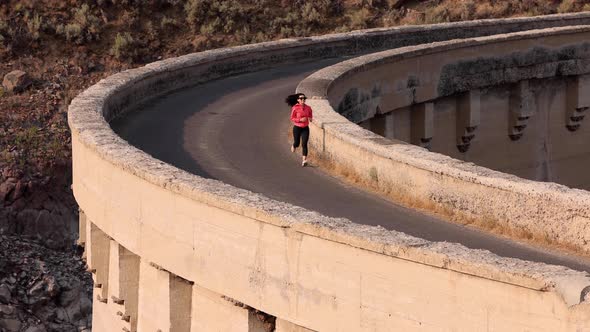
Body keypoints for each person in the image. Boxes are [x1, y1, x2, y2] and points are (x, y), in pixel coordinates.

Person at [285, 93, 313, 166]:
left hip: (305, 128)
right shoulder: (295, 108)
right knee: (297, 143)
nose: (303, 99)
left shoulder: (308, 108)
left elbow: (310, 115)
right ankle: (294, 145)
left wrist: (310, 118)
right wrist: (300, 120)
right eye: (301, 98)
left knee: (304, 144)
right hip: (297, 128)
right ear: (298, 100)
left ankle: (304, 160)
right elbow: (292, 118)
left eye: (304, 98)